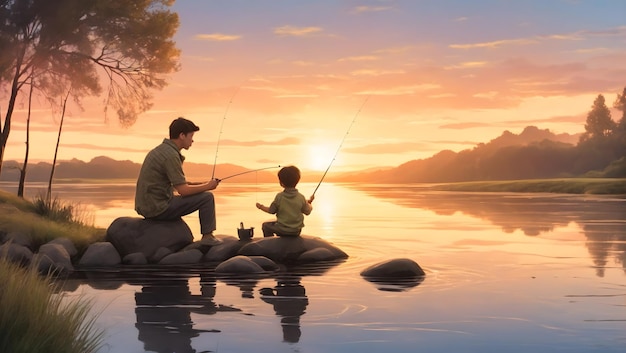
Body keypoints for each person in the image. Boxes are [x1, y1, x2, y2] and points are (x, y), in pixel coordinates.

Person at [135, 117, 222, 245]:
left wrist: (204, 184)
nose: (192, 140)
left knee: (204, 194)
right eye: (191, 136)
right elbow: (183, 190)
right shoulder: (171, 156)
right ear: (182, 135)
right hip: (158, 208)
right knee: (207, 198)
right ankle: (207, 236)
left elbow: (179, 184)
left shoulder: (161, 150)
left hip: (147, 206)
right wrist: (208, 187)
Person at [256, 165, 313, 237]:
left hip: (282, 230)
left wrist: (260, 206)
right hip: (296, 231)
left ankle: (270, 242)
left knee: (265, 226)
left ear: (281, 183)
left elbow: (271, 211)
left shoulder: (279, 197)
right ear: (297, 181)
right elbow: (307, 211)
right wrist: (309, 204)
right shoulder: (301, 198)